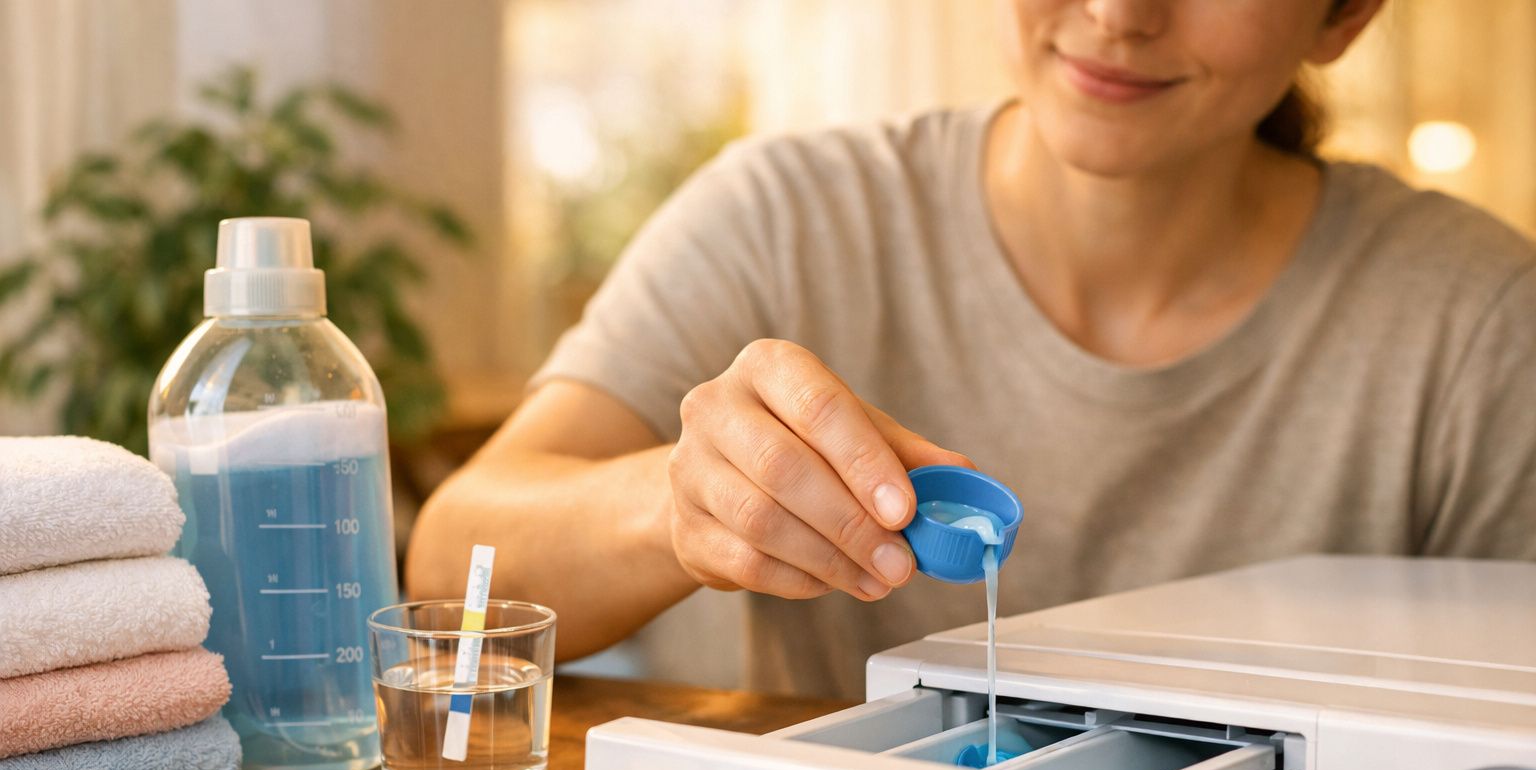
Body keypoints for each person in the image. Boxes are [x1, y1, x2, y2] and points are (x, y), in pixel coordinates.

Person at [407, 0, 1536, 700]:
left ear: (1343, 18)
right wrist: (680, 505)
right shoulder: (786, 218)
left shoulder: (1477, 321)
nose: (1118, 11)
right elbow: (453, 566)